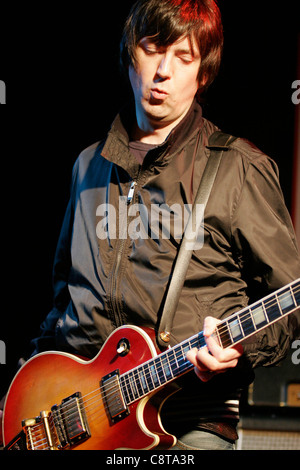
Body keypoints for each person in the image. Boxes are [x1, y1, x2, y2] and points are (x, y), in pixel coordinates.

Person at [2, 0, 300, 451]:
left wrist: (240, 349)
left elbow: (291, 298)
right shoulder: (88, 165)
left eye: (184, 57)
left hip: (188, 415)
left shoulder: (239, 168)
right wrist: (26, 387)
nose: (163, 70)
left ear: (203, 75)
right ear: (130, 55)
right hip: (74, 415)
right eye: (153, 47)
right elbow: (65, 299)